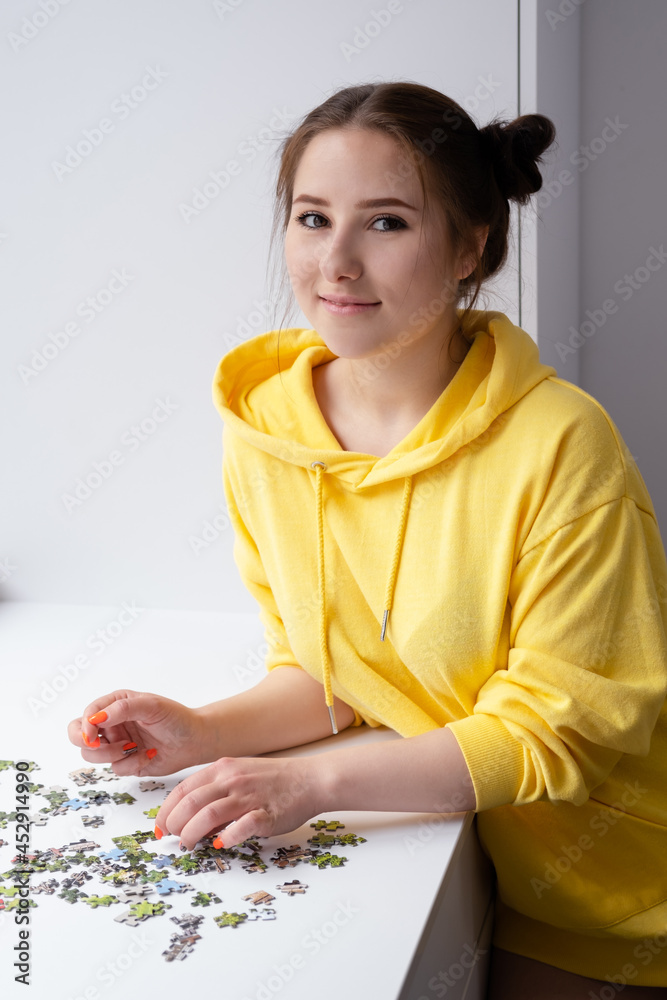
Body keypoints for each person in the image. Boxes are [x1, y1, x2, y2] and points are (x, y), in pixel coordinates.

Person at [68, 81, 667, 997]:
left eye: (384, 223)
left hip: (615, 893)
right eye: (312, 218)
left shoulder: (560, 445)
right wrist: (204, 730)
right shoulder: (266, 428)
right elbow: (340, 672)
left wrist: (312, 788)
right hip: (467, 858)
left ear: (472, 246)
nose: (335, 262)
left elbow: (560, 734)